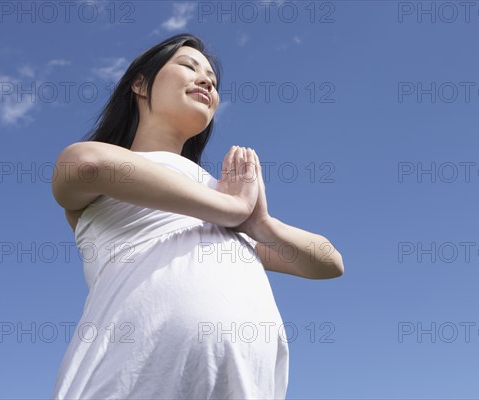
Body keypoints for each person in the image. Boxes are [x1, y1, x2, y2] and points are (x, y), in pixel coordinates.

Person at [50, 33, 344, 399]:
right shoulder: (117, 173)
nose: (206, 80)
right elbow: (86, 164)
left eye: (213, 80)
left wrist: (259, 224)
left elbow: (329, 262)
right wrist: (231, 208)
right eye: (188, 67)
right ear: (140, 84)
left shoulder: (222, 197)